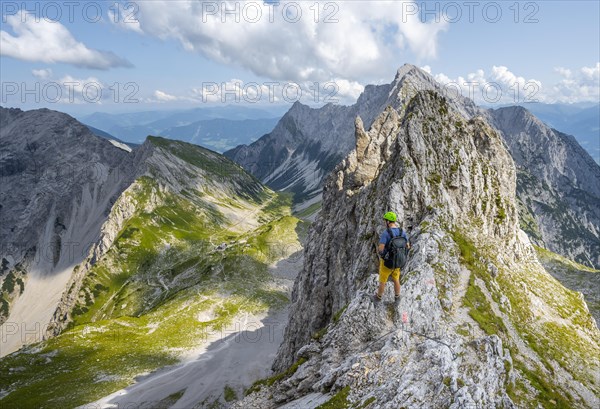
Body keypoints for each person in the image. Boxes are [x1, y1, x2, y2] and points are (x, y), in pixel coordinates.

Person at [375, 212, 410, 302]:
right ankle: (397, 297)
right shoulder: (402, 232)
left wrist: (383, 255)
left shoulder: (386, 233)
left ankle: (378, 297)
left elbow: (381, 248)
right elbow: (408, 246)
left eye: (385, 220)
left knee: (383, 280)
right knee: (396, 279)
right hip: (398, 261)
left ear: (388, 222)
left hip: (387, 262)